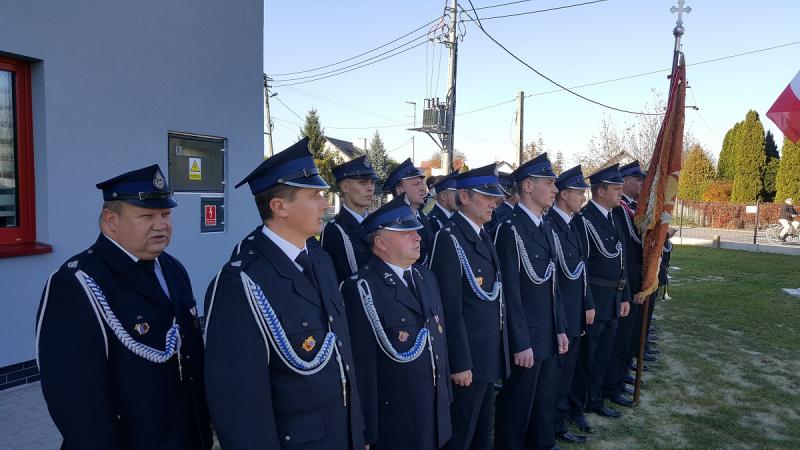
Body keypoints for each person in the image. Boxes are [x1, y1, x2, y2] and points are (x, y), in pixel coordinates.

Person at [203, 138, 365, 449]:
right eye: (314, 196)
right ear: (279, 207)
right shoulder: (241, 280)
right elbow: (238, 398)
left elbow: (341, 355)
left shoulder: (320, 260)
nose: (324, 204)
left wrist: (358, 431)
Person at [36, 164, 212, 450]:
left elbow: (190, 358)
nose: (161, 225)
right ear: (111, 221)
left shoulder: (172, 268)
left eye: (166, 215)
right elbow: (76, 402)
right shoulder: (78, 283)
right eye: (146, 216)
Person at [340, 195, 452, 450]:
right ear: (381, 243)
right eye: (406, 233)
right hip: (395, 417)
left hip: (434, 408)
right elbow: (362, 366)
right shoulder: (362, 289)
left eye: (416, 231)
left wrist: (445, 396)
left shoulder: (426, 277)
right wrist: (366, 430)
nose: (417, 237)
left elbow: (439, 340)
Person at [429, 164, 510, 450]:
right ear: (464, 196)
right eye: (486, 197)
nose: (494, 203)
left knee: (481, 434)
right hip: (469, 359)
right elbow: (448, 309)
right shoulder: (449, 239)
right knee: (461, 435)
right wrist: (460, 362)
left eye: (495, 197)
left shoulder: (480, 233)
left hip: (486, 354)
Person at [493, 154, 569, 450]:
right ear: (527, 186)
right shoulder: (510, 229)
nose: (555, 189)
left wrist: (560, 328)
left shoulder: (544, 226)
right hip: (526, 335)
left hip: (547, 330)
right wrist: (520, 341)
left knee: (544, 397)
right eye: (548, 183)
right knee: (518, 401)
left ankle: (542, 442)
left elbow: (553, 284)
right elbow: (509, 293)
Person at [569, 164, 631, 430]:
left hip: (614, 296)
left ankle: (595, 398)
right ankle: (577, 405)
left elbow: (621, 259)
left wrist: (625, 294)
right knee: (587, 357)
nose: (621, 193)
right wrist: (588, 302)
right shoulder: (584, 220)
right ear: (601, 191)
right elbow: (582, 266)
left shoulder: (612, 216)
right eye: (616, 189)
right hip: (595, 297)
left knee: (604, 353)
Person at [545, 164, 596, 445]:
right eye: (578, 193)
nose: (583, 198)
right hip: (560, 314)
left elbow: (581, 269)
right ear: (563, 194)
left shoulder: (571, 224)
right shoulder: (550, 224)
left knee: (567, 374)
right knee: (556, 375)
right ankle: (551, 425)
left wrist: (587, 302)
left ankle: (560, 421)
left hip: (575, 312)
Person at [604, 160, 648, 409]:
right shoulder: (620, 211)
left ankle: (619, 378)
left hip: (634, 281)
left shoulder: (629, 209)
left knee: (627, 337)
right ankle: (613, 383)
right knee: (619, 340)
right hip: (625, 283)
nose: (641, 184)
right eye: (637, 180)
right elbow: (625, 252)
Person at [321, 155, 379, 282]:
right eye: (363, 182)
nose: (370, 188)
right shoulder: (335, 230)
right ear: (345, 187)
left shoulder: (378, 224)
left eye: (372, 182)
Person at [384, 158, 433, 265]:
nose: (423, 189)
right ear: (400, 190)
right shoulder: (394, 222)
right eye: (416, 184)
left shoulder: (421, 216)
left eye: (422, 183)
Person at [485, 171, 517, 238]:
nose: (504, 199)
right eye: (500, 194)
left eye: (506, 195)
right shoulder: (487, 214)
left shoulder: (494, 213)